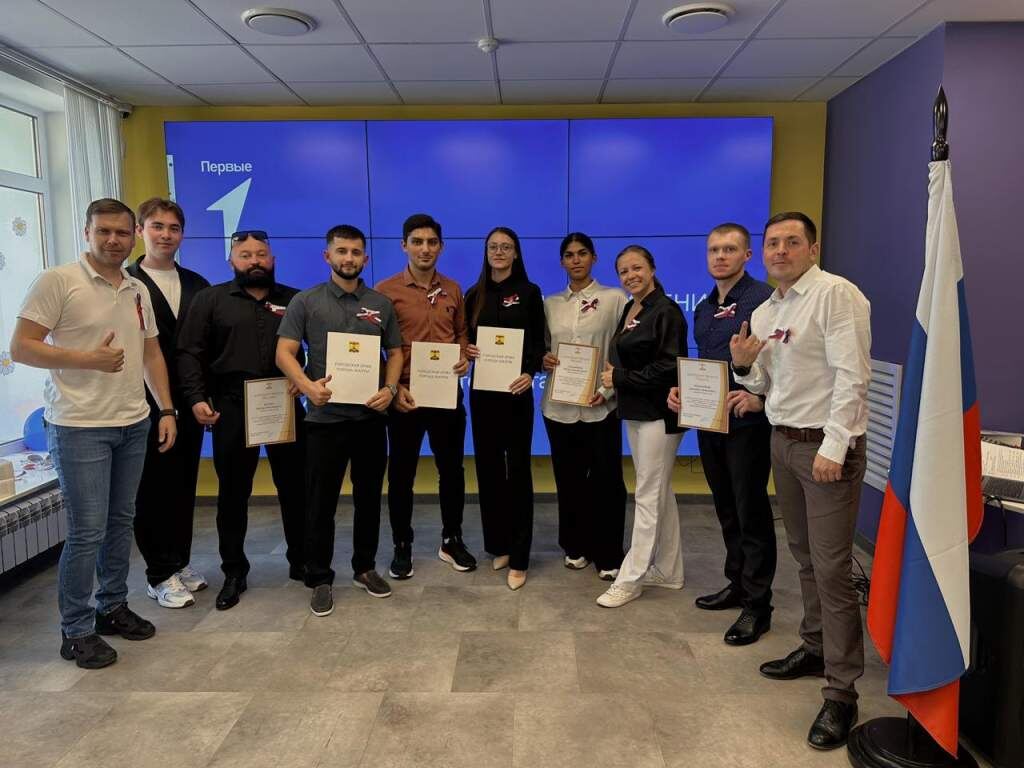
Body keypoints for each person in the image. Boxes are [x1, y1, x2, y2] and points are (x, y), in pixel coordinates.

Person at [11, 198, 177, 669]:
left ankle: (111, 607)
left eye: (122, 233)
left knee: (120, 522)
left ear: (133, 236)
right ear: (87, 232)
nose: (113, 240)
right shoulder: (58, 281)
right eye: (103, 231)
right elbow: (21, 347)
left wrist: (166, 408)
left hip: (133, 421)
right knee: (87, 532)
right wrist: (88, 360)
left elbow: (151, 354)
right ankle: (76, 630)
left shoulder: (136, 288)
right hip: (79, 426)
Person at [730, 212, 871, 750]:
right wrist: (744, 366)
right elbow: (767, 383)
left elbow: (853, 376)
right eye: (772, 243)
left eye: (792, 242)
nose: (780, 251)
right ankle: (815, 648)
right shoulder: (766, 310)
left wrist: (834, 446)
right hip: (783, 443)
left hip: (825, 450)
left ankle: (842, 692)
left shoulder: (836, 295)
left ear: (813, 248)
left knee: (833, 571)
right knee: (806, 557)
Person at [276, 224, 403, 616]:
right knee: (320, 503)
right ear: (327, 256)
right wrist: (306, 386)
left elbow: (396, 352)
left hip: (370, 419)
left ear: (365, 258)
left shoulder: (380, 303)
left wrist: (391, 388)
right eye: (342, 251)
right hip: (324, 421)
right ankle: (319, 577)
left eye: (355, 252)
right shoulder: (306, 301)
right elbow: (284, 352)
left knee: (369, 499)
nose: (349, 258)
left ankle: (364, 568)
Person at [176, 229, 306, 611]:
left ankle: (301, 561)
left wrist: (308, 378)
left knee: (296, 488)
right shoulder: (210, 300)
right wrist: (196, 398)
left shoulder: (295, 300)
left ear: (273, 260)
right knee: (233, 493)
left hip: (284, 402)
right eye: (245, 255)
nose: (254, 261)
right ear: (232, 261)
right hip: (232, 406)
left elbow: (319, 345)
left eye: (261, 254)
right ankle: (234, 571)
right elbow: (189, 352)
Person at [667, 223, 775, 645]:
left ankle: (758, 606)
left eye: (729, 249)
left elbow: (779, 362)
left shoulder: (764, 300)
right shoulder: (704, 306)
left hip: (748, 423)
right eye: (714, 249)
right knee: (726, 508)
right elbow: (707, 366)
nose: (720, 256)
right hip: (710, 421)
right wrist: (683, 390)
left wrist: (759, 398)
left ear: (747, 255)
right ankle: (738, 583)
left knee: (751, 512)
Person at [375, 214, 474, 580]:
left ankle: (452, 539)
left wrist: (463, 356)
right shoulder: (385, 291)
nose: (425, 249)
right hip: (405, 397)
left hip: (447, 395)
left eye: (432, 242)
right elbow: (376, 347)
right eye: (417, 242)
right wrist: (392, 388)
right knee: (402, 475)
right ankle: (402, 545)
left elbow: (461, 333)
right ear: (404, 246)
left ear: (441, 247)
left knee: (452, 471)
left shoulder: (453, 289)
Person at [126, 198, 210, 609]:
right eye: (156, 226)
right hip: (143, 406)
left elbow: (208, 345)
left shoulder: (197, 284)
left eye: (173, 228)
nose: (165, 235)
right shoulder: (126, 282)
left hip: (189, 402)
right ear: (141, 231)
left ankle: (179, 560)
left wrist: (202, 397)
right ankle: (159, 573)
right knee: (152, 488)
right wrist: (162, 407)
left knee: (182, 484)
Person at [596, 245, 687, 609]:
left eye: (637, 268)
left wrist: (618, 377)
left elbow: (669, 366)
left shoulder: (666, 311)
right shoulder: (632, 308)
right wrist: (609, 386)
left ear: (652, 268)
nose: (630, 275)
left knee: (647, 496)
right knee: (659, 492)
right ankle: (668, 570)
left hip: (659, 415)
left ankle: (629, 579)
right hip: (635, 412)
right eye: (623, 271)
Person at [542, 233, 627, 581]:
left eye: (582, 253)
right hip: (558, 407)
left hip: (600, 404)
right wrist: (543, 359)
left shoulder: (615, 298)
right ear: (562, 261)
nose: (575, 260)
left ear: (594, 257)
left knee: (607, 482)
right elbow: (542, 349)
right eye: (569, 255)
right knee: (569, 480)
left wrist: (607, 390)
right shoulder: (550, 303)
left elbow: (624, 349)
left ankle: (608, 553)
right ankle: (574, 545)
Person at [465, 227, 545, 591]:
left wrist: (530, 371)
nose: (499, 251)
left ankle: (520, 556)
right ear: (486, 252)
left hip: (516, 394)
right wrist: (467, 350)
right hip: (483, 395)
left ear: (516, 253)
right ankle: (499, 545)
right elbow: (465, 340)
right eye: (493, 247)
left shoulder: (529, 292)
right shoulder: (473, 294)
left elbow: (538, 342)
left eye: (506, 247)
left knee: (518, 472)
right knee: (489, 470)